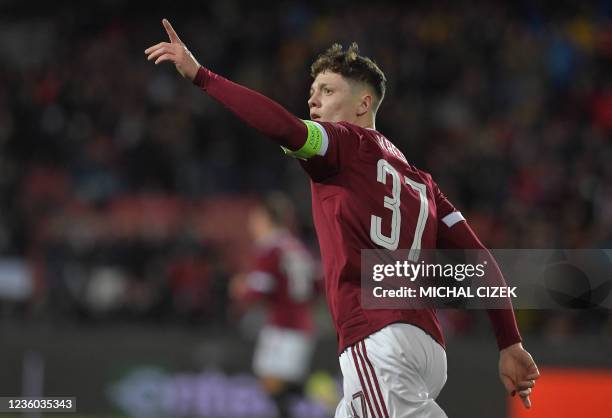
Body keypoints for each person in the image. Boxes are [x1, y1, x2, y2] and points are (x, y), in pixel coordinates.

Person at [145, 19, 540, 417]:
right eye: (312, 92)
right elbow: (480, 259)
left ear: (363, 104)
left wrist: (202, 76)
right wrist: (509, 342)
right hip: (425, 347)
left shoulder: (343, 143)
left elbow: (283, 127)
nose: (314, 102)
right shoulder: (424, 185)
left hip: (377, 337)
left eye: (327, 91)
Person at [230, 193, 317, 417]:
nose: (252, 225)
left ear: (266, 219)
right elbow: (317, 283)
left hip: (284, 325)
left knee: (275, 387)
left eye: (255, 219)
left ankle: (324, 393)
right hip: (300, 322)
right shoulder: (296, 246)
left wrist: (240, 289)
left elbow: (259, 289)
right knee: (276, 384)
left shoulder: (270, 248)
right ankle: (321, 393)